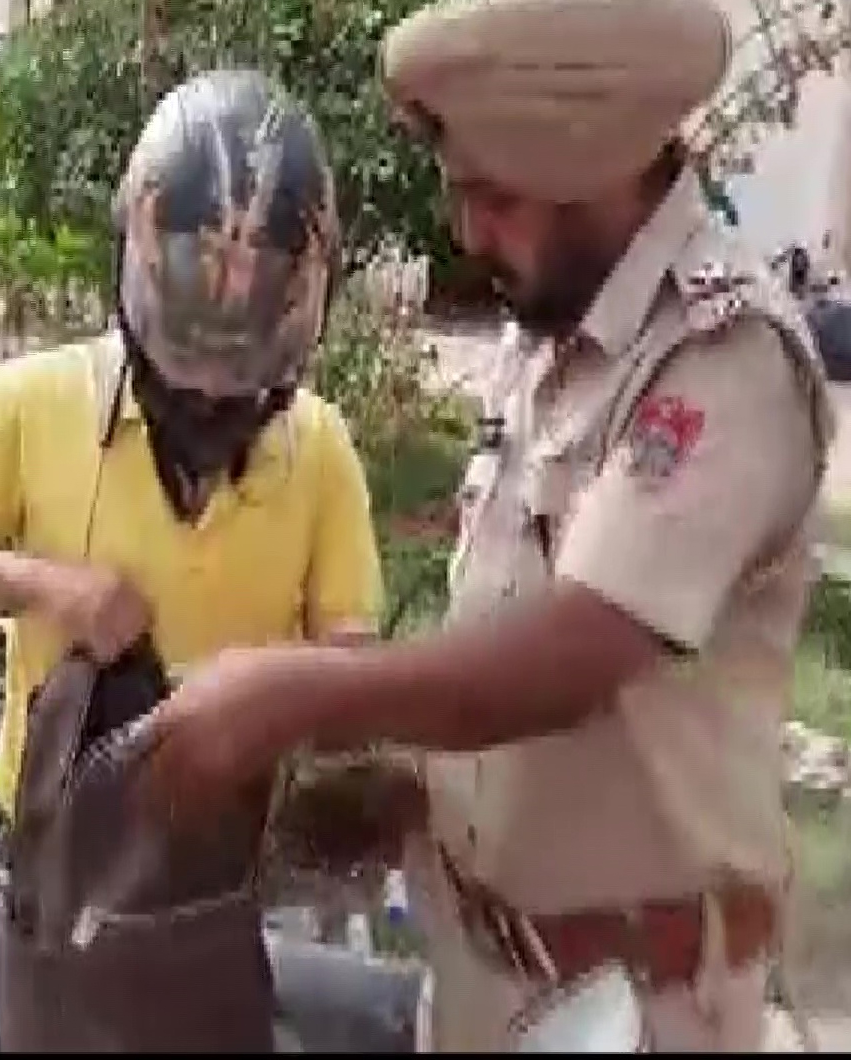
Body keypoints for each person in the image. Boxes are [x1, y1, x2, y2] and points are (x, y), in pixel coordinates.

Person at [137, 0, 834, 1051]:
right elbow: (509, 627)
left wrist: (296, 693)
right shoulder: (552, 342)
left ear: (588, 167)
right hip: (484, 988)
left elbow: (574, 652)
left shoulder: (718, 361)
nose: (467, 235)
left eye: (493, 199)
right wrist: (410, 794)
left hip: (634, 1010)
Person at [0, 68, 384, 1051]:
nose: (211, 398)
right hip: (48, 903)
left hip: (211, 913)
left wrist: (276, 697)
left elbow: (354, 666)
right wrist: (38, 583)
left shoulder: (321, 450)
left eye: (240, 378)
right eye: (188, 365)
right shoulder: (35, 403)